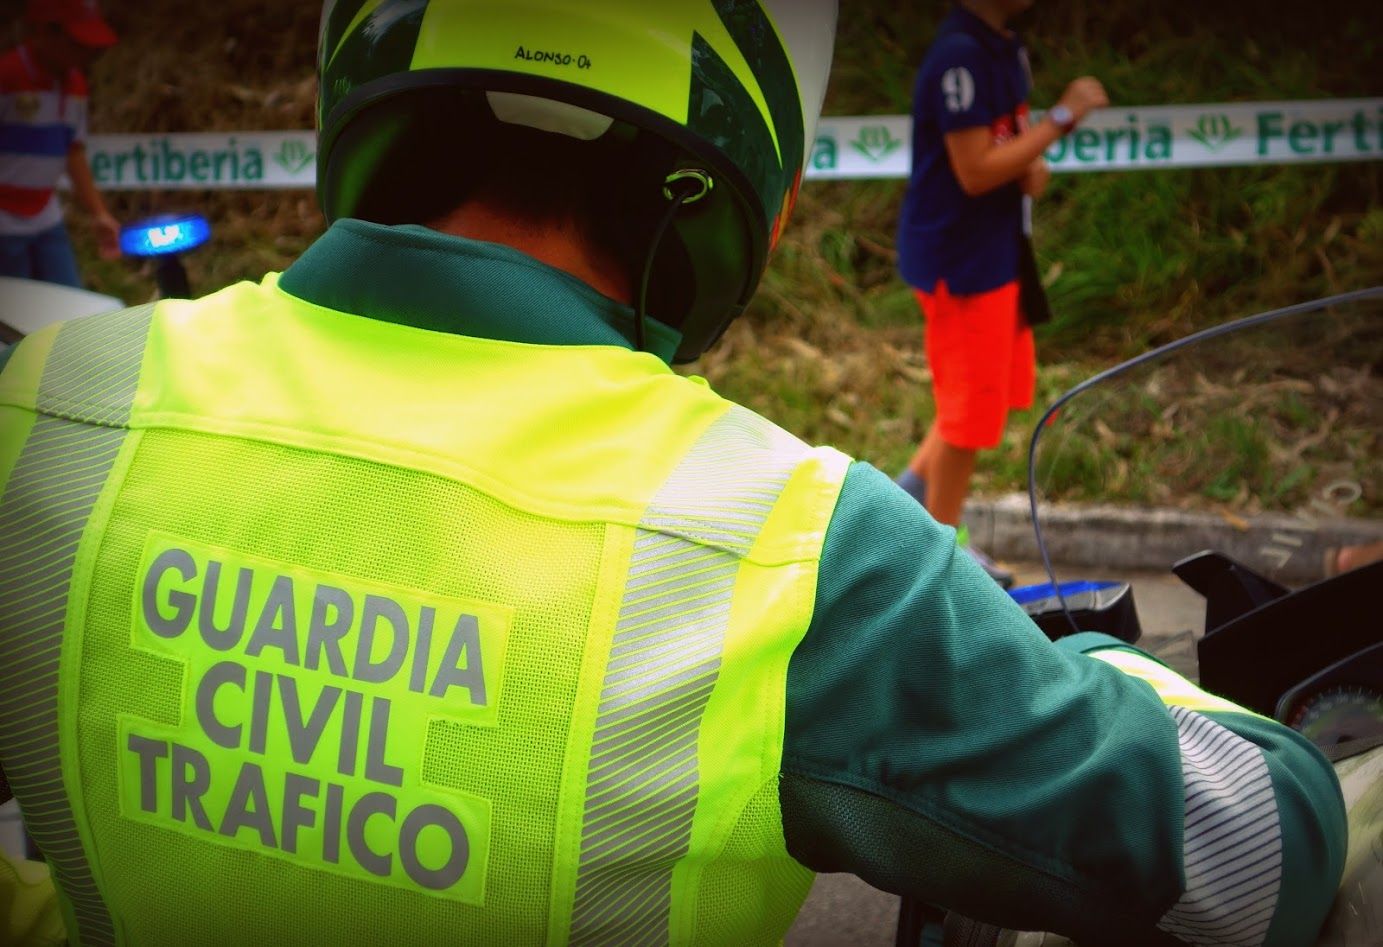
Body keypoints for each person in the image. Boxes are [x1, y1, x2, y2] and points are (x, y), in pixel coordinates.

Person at [0, 2, 1346, 945]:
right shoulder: (793, 548)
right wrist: (1098, 673)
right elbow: (1254, 858)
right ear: (742, 190)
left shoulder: (53, 404)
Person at [894, 0, 1107, 587]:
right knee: (967, 415)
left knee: (978, 397)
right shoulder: (958, 57)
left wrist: (1028, 163)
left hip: (996, 254)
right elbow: (975, 170)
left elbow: (1003, 142)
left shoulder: (1004, 45)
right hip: (959, 265)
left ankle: (904, 502)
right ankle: (938, 562)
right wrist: (1061, 118)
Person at [0, 0, 120, 288]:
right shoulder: (8, 76)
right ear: (47, 32)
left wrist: (99, 213)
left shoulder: (76, 84)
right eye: (77, 43)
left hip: (46, 216)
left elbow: (73, 150)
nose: (87, 54)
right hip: (4, 224)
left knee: (68, 298)